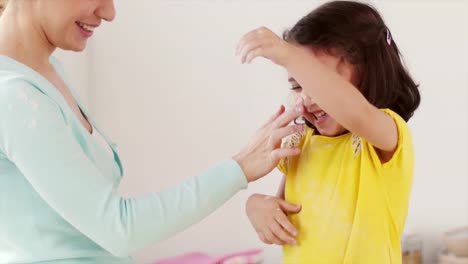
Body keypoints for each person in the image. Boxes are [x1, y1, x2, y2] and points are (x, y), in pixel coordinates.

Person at [0, 0, 305, 263]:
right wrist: (240, 166)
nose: (109, 12)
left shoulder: (46, 71)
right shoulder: (14, 98)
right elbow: (120, 230)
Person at [237, 1, 421, 263]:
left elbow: (356, 112)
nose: (308, 97)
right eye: (297, 85)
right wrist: (255, 205)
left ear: (368, 72)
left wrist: (290, 56)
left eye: (317, 78)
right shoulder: (302, 144)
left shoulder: (386, 134)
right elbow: (282, 207)